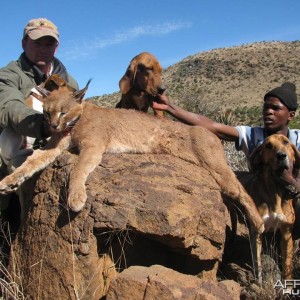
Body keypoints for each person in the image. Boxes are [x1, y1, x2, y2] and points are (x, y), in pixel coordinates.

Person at [152, 82, 300, 238]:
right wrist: (169, 107)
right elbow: (214, 127)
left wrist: (290, 181)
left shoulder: (297, 140)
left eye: (275, 108)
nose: (268, 112)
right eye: (266, 108)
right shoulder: (253, 135)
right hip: (261, 197)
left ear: (290, 115)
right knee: (229, 181)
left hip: (291, 198)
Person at [0, 18, 79, 224]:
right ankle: (17, 215)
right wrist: (43, 125)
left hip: (57, 142)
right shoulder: (9, 75)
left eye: (49, 44)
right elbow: (8, 108)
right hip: (22, 142)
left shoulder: (70, 82)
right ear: (24, 43)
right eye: (37, 43)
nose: (43, 49)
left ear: (56, 46)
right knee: (9, 138)